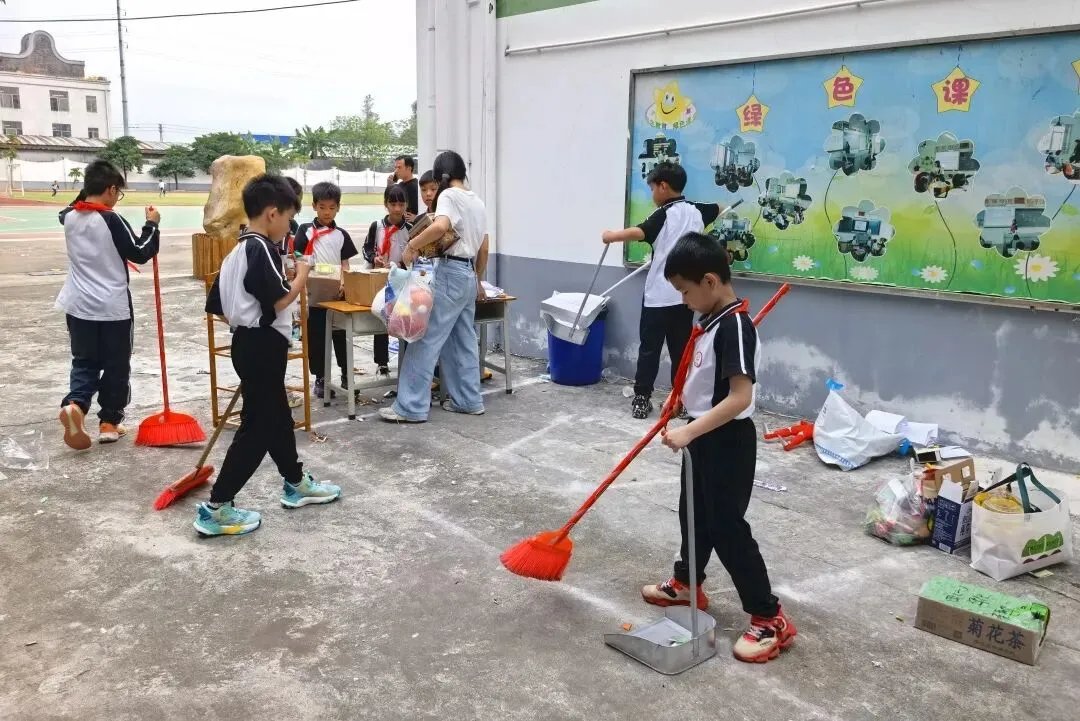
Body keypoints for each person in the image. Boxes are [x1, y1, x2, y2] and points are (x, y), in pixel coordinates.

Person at [643, 231, 795, 664]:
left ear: (710, 281)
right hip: (702, 432)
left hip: (726, 439)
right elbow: (705, 382)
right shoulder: (709, 322)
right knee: (693, 515)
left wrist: (691, 431)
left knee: (727, 527)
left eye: (685, 291)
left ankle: (770, 618)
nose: (684, 300)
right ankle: (688, 581)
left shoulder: (735, 327)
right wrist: (680, 405)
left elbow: (740, 398)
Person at [200, 174, 341, 536]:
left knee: (277, 419)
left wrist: (248, 316)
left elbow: (216, 304)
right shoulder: (259, 248)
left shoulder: (238, 249)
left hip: (250, 344)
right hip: (261, 345)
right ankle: (217, 506)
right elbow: (279, 299)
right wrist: (302, 275)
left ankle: (296, 482)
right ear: (272, 213)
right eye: (289, 217)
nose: (289, 226)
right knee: (258, 428)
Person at [601, 162, 720, 420]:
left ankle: (642, 398)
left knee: (649, 350)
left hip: (658, 297)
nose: (653, 194)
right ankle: (681, 400)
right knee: (681, 350)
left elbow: (639, 232)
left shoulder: (664, 213)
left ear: (663, 187)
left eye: (653, 188)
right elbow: (718, 209)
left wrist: (610, 236)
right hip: (686, 298)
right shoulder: (698, 211)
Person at [55, 160, 160, 449]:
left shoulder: (69, 217)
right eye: (118, 192)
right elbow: (139, 252)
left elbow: (70, 207)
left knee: (84, 361)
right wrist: (152, 224)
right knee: (116, 365)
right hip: (112, 308)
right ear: (111, 189)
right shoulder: (111, 219)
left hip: (78, 305)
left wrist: (87, 192)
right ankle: (110, 422)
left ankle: (76, 405)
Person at [379, 150, 488, 423]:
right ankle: (468, 400)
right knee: (463, 342)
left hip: (450, 271)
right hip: (467, 273)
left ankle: (410, 407)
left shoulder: (450, 196)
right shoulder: (478, 202)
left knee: (424, 339)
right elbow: (485, 245)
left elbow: (440, 227)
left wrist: (412, 246)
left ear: (443, 177)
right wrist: (477, 278)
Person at [295, 181, 358, 399]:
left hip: (337, 297)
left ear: (338, 208)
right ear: (314, 206)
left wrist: (344, 282)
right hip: (314, 297)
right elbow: (298, 258)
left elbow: (345, 264)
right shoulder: (305, 231)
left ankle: (345, 375)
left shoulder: (341, 234)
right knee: (317, 338)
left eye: (332, 208)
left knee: (342, 337)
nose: (327, 212)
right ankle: (321, 378)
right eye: (322, 207)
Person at [363, 184, 410, 377]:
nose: (397, 209)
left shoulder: (410, 229)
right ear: (385, 204)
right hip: (381, 279)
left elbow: (416, 252)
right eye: (393, 204)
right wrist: (374, 257)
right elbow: (366, 248)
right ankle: (381, 361)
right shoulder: (377, 226)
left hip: (403, 280)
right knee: (380, 319)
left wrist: (403, 263)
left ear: (406, 204)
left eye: (401, 204)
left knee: (405, 318)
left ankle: (406, 358)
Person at [387, 155, 420, 220]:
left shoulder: (415, 187)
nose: (396, 171)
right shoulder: (400, 185)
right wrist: (389, 186)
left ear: (409, 168)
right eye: (395, 167)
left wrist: (417, 218)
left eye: (399, 167)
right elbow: (390, 203)